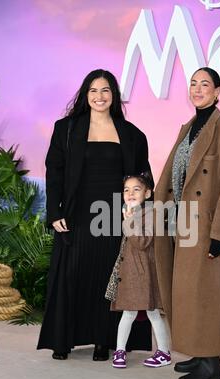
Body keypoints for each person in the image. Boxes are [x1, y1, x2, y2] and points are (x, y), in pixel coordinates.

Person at [37, 69, 153, 360]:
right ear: (85, 95)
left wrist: (138, 216)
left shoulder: (132, 134)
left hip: (114, 217)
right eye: (93, 90)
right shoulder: (65, 129)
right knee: (71, 275)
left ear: (113, 96)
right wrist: (54, 212)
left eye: (105, 91)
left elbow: (143, 178)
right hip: (76, 215)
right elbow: (54, 174)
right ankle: (63, 341)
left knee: (108, 278)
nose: (99, 96)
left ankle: (104, 341)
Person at [154, 67, 220, 379]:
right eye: (193, 83)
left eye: (205, 84)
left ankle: (212, 366)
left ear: (218, 91)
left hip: (206, 229)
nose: (197, 88)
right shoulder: (189, 128)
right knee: (188, 295)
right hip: (181, 225)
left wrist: (219, 235)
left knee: (206, 295)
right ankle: (198, 352)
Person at [105, 173, 171, 369]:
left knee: (151, 313)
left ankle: (163, 352)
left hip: (142, 274)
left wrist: (128, 222)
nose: (130, 193)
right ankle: (120, 351)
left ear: (148, 193)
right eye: (126, 190)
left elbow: (142, 242)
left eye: (136, 189)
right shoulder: (131, 212)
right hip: (130, 273)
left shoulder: (149, 214)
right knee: (130, 313)